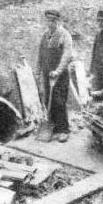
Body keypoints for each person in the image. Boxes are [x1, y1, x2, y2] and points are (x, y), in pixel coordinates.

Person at [37, 9, 73, 142]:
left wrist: (58, 70)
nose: (50, 23)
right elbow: (40, 55)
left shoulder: (64, 35)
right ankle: (53, 127)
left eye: (53, 21)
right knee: (48, 100)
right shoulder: (45, 36)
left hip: (60, 75)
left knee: (59, 101)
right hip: (47, 74)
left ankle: (64, 130)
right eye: (48, 20)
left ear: (58, 21)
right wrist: (38, 71)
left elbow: (67, 55)